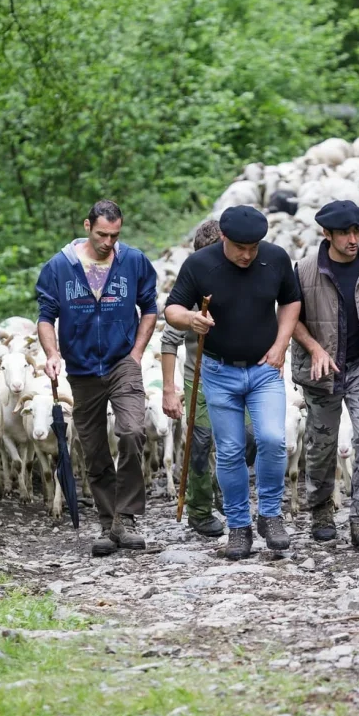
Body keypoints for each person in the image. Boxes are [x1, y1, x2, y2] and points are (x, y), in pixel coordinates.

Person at [164, 205, 301, 560]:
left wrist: (281, 344)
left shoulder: (275, 259)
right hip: (219, 371)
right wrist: (191, 318)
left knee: (272, 438)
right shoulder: (200, 264)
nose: (247, 254)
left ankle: (270, 515)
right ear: (223, 237)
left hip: (264, 369)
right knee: (229, 450)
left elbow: (291, 300)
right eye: (240, 246)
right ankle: (239, 526)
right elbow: (172, 308)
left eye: (253, 246)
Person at [36, 199, 157, 556]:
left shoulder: (132, 261)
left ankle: (128, 517)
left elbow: (150, 307)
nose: (108, 242)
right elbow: (46, 315)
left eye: (115, 235)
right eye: (102, 234)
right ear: (87, 226)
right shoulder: (59, 267)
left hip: (122, 362)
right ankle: (108, 522)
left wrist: (136, 354)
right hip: (82, 367)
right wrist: (53, 354)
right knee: (93, 447)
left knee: (133, 430)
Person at [291, 200, 359, 549]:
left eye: (357, 231)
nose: (353, 239)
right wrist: (315, 348)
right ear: (327, 234)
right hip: (322, 369)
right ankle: (321, 510)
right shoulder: (306, 270)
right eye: (345, 233)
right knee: (322, 444)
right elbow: (291, 318)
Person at [160, 219, 225, 538]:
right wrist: (169, 390)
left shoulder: (244, 276)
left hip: (241, 372)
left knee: (249, 438)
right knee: (199, 444)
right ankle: (200, 511)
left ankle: (219, 483)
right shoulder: (193, 283)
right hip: (198, 376)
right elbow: (169, 339)